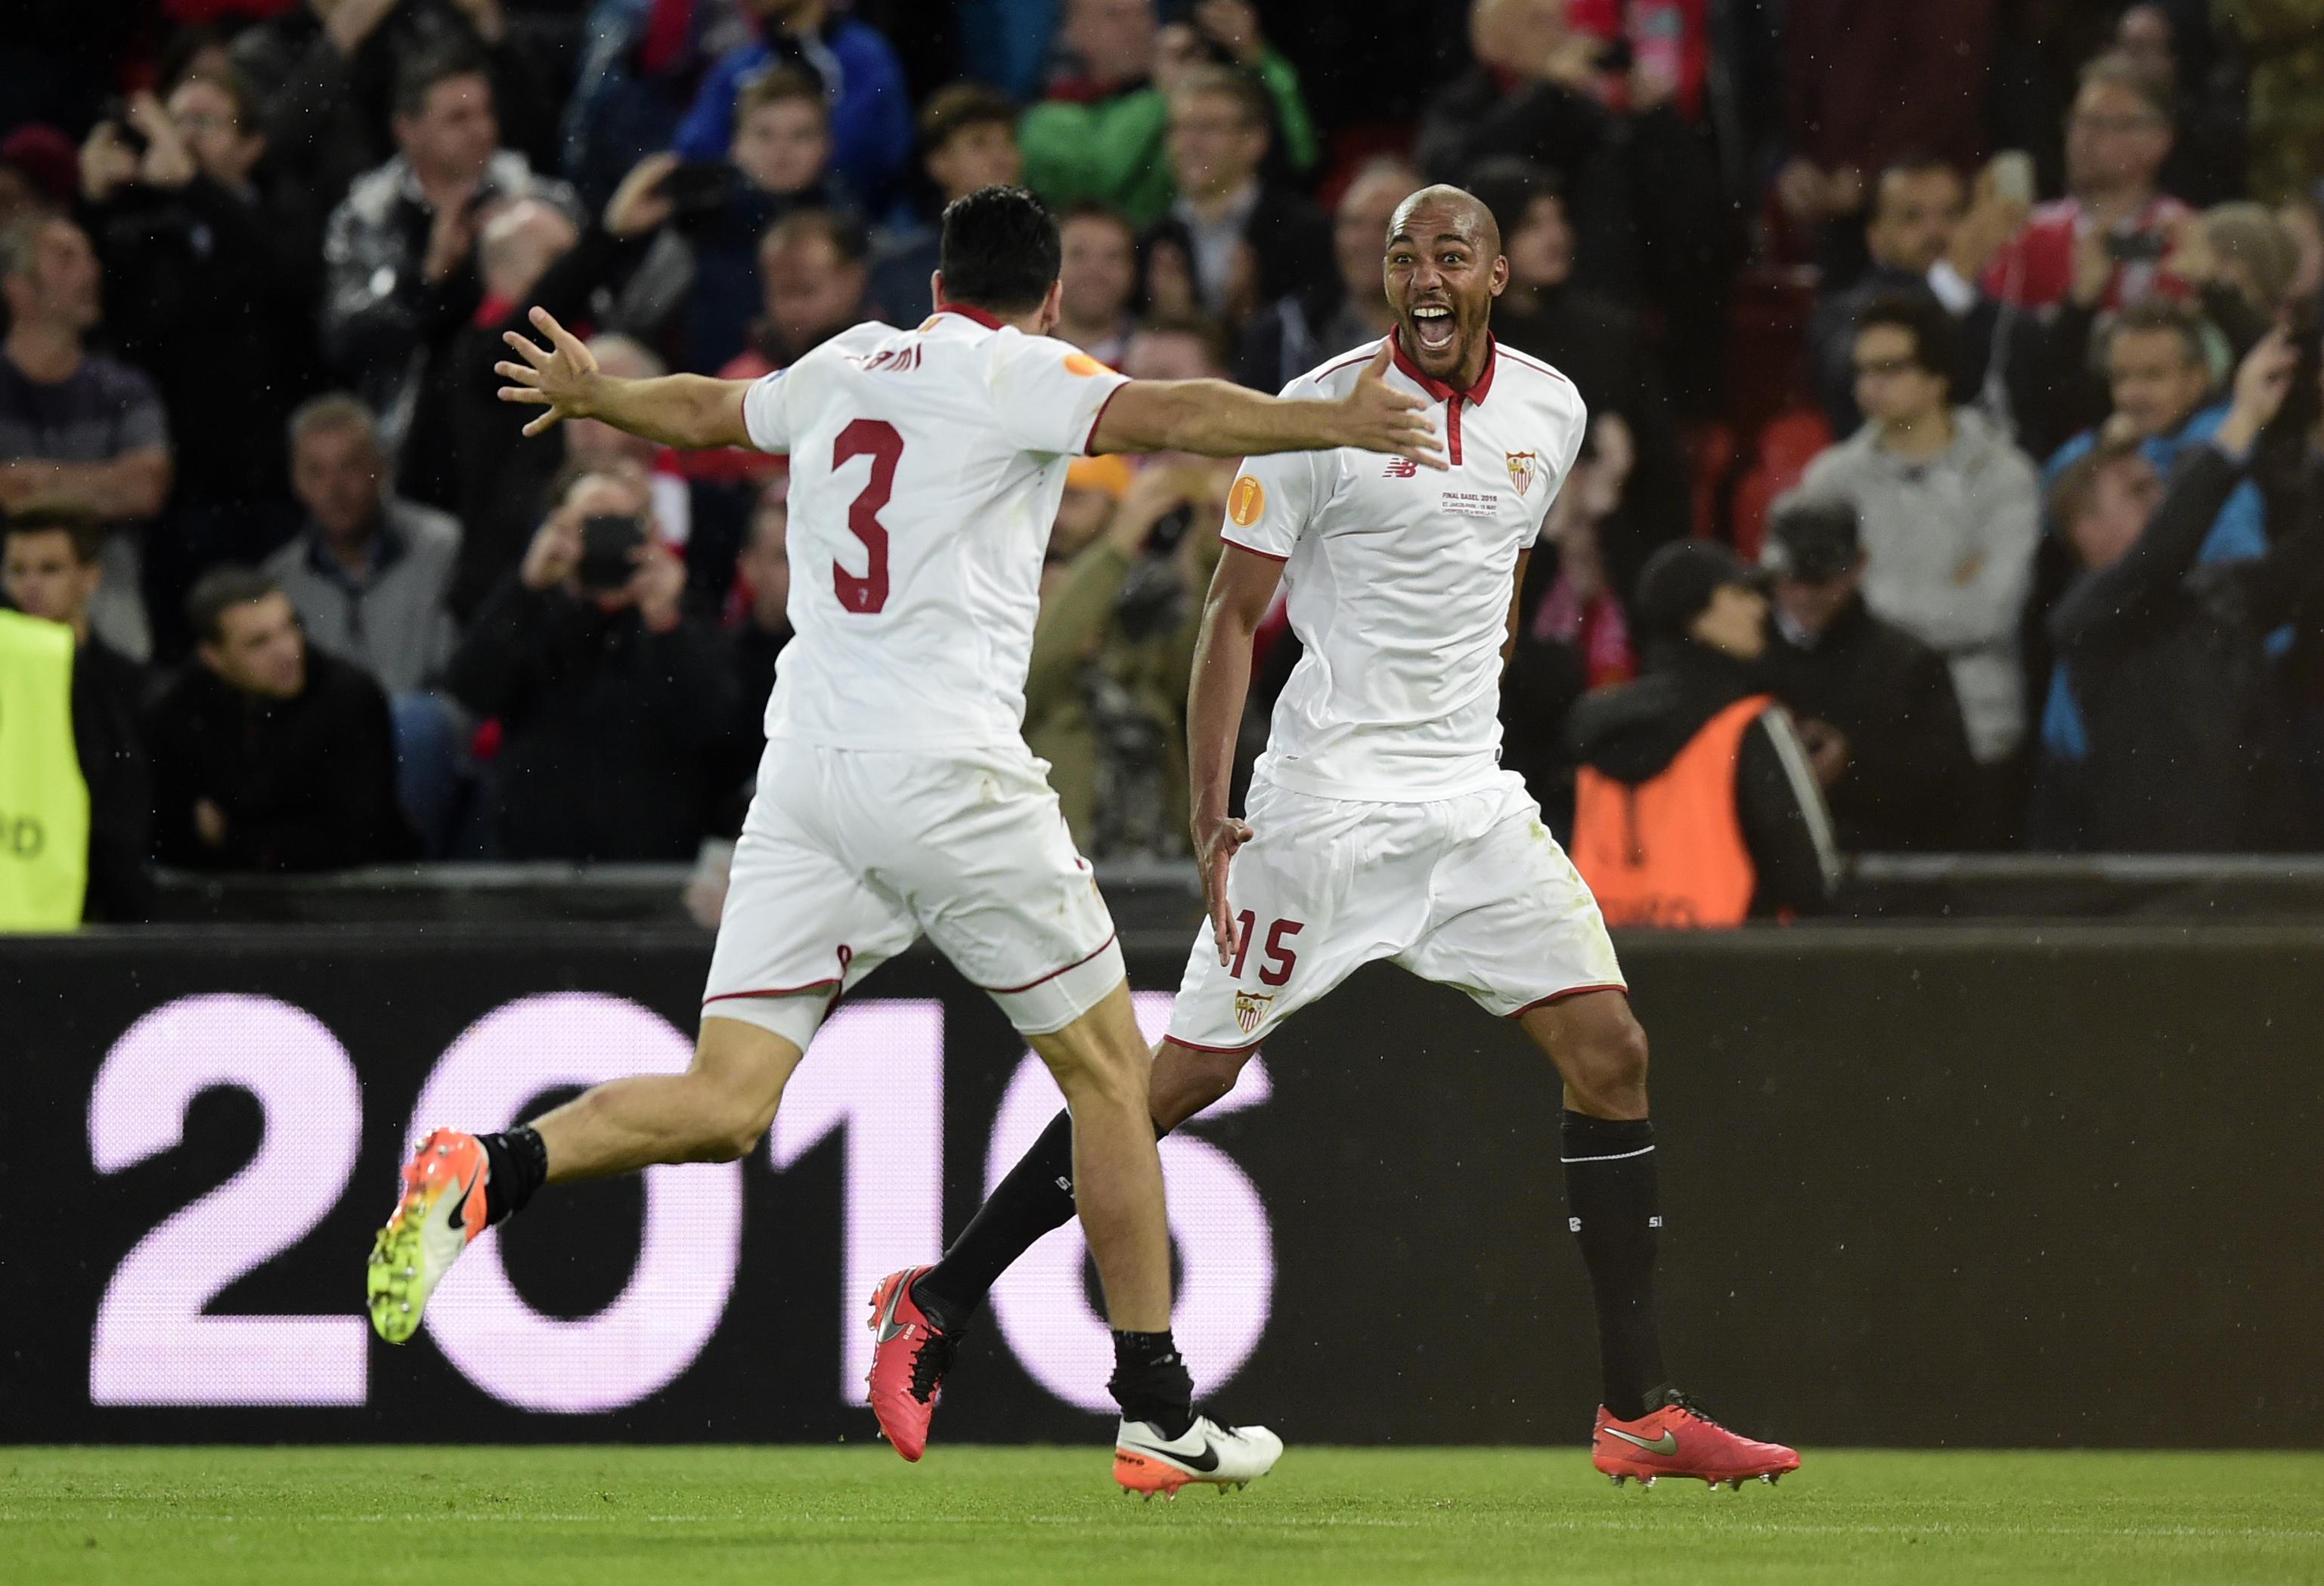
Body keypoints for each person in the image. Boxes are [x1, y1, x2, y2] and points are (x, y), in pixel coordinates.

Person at [371, 182, 1439, 1495]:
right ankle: (1155, 1405)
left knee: (721, 1102)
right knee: (1113, 1076)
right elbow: (1168, 415)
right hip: (947, 776)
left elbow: (709, 409)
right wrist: (1324, 419)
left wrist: (599, 400)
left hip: (810, 780)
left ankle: (493, 1162)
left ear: (933, 283)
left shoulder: (843, 363)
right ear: (1046, 301)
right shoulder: (1018, 369)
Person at [861, 184, 1799, 1491]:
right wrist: (1212, 812)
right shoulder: (1312, 417)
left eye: (1448, 253)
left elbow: (1500, 568)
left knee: (1610, 1050)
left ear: (1492, 280)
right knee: (1165, 1086)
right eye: (1401, 254)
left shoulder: (1550, 408)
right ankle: (942, 1296)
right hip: (1323, 808)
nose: (1421, 274)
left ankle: (1636, 1409)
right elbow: (1229, 616)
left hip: (1469, 804)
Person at [2031, 330, 2323, 851]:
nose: (2161, 496)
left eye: (2158, 484)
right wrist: (2243, 419)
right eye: (2138, 490)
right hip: (2170, 882)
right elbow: (2164, 548)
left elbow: (2306, 558)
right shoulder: (2085, 617)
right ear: (2085, 528)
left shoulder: (2214, 589)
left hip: (2267, 863)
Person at [1795, 293, 2041, 784]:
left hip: (1979, 727)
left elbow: (1990, 612)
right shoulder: (1830, 479)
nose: (1870, 385)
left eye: (1889, 367)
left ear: (1938, 377)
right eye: (1862, 370)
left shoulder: (2004, 475)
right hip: (1859, 732)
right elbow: (1806, 607)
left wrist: (1862, 608)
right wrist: (1949, 590)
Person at [444, 462, 735, 860]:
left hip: (651, 875)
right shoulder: (530, 612)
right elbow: (470, 689)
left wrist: (666, 623)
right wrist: (527, 588)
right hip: (535, 870)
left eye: (621, 524)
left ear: (650, 533)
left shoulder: (678, 616)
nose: (604, 542)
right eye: (590, 525)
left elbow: (716, 727)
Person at [321, 48, 581, 453]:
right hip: (411, 430)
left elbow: (591, 307)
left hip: (523, 422)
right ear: (407, 129)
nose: (481, 130)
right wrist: (428, 280)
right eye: (458, 119)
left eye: (485, 113)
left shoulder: (538, 201)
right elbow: (346, 338)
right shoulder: (369, 217)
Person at [1568, 537, 1840, 921]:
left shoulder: (1592, 722)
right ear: (1696, 612)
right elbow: (1808, 877)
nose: (1759, 607)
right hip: (1726, 963)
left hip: (1609, 958)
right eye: (1741, 593)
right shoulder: (1747, 721)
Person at [148, 567, 418, 872]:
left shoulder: (349, 697)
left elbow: (351, 838)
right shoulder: (180, 708)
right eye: (258, 642)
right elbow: (171, 834)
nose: (287, 651)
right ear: (213, 657)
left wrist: (231, 835)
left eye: (291, 627)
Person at [0, 213, 173, 662]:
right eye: (66, 259)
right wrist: (100, 484)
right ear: (17, 286)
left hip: (110, 610)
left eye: (91, 258)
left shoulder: (125, 389)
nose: (92, 271)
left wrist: (30, 483)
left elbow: (145, 488)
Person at [1758, 496, 1975, 851]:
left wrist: (1851, 769)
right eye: (1795, 577)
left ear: (1859, 565)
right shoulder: (1737, 655)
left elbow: (1948, 788)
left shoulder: (1909, 664)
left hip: (1873, 872)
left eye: (1823, 578)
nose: (1808, 594)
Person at [1018, 0, 1317, 231]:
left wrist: (1256, 58)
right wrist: (1165, 92)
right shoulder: (1048, 119)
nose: (1135, 28)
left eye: (1142, 13)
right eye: (1114, 15)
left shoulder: (1191, 98)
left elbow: (1299, 153)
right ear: (1073, 31)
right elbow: (1101, 178)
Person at [2, 511, 152, 922]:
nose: (30, 585)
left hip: (98, 912)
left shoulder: (129, 686)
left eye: (50, 569)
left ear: (90, 577)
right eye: (17, 570)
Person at [264, 394, 460, 696]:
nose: (335, 488)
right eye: (317, 472)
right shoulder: (279, 580)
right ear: (296, 481)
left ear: (381, 468)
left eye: (350, 466)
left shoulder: (442, 547)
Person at [1982, 54, 2191, 312]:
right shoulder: (2031, 236)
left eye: (2109, 123)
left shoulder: (2184, 238)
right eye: (2081, 121)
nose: (2086, 137)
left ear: (2160, 139)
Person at [669, 0, 912, 213]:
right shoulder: (736, 66)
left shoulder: (865, 58)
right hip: (742, 227)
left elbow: (871, 158)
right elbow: (694, 154)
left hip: (850, 225)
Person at [1143, 65, 1331, 330]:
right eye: (1179, 128)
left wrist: (1251, 318)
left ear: (1255, 140)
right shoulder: (1154, 242)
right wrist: (1175, 318)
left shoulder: (1304, 233)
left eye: (1208, 128)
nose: (1189, 143)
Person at [1237, 156, 1418, 392]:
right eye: (1353, 223)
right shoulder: (1282, 334)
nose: (1364, 240)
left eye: (1386, 225)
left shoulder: (1465, 337)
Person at [869, 85, 1024, 328]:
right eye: (979, 144)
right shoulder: (901, 268)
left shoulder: (1045, 252)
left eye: (1007, 142)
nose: (1000, 157)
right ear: (938, 163)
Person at [1053, 204, 1141, 367]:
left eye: (1112, 257)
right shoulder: (1017, 355)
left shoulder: (1156, 362)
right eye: (1078, 254)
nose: (1095, 271)